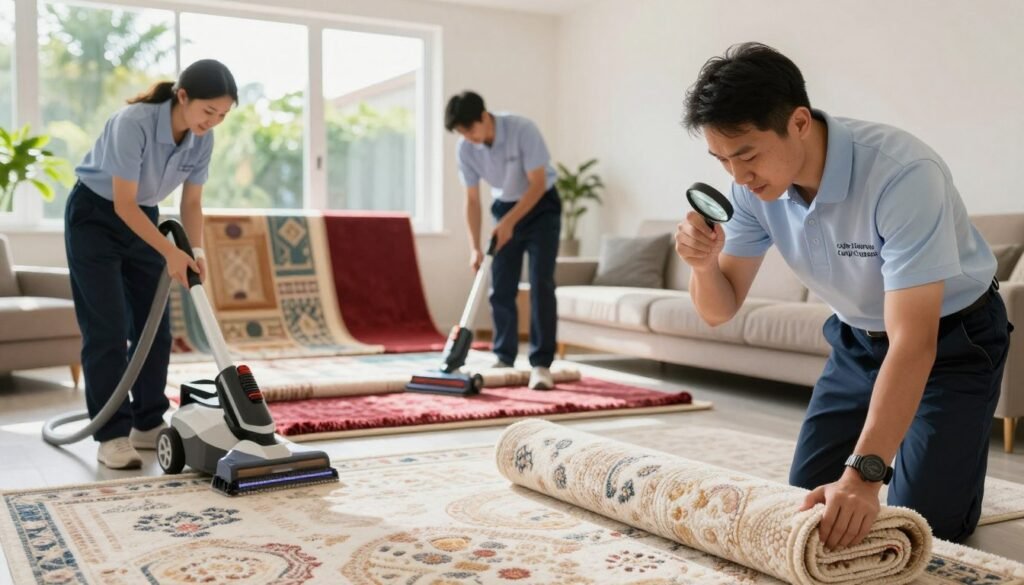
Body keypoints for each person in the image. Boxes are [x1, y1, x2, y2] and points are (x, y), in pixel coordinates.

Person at [676, 42, 1011, 545]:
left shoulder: (902, 174)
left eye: (746, 154)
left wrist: (864, 474)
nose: (737, 176)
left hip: (953, 339)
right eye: (720, 159)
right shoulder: (751, 190)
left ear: (800, 123)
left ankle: (937, 455)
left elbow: (914, 342)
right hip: (857, 341)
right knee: (806, 503)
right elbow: (719, 311)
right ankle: (913, 444)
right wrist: (702, 265)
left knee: (925, 527)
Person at [66, 59, 237, 469]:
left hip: (143, 217)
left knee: (154, 330)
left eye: (223, 116)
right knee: (107, 328)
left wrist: (194, 252)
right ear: (182, 96)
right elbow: (123, 203)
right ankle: (110, 435)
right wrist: (168, 251)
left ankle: (146, 423)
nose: (212, 122)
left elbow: (191, 203)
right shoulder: (134, 122)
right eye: (208, 111)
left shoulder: (201, 139)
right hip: (96, 217)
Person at [445, 91, 561, 390]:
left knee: (540, 282)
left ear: (484, 116)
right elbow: (472, 200)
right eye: (461, 133)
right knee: (501, 285)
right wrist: (474, 247)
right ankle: (504, 358)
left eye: (470, 130)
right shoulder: (466, 149)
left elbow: (537, 185)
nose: (468, 138)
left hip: (541, 207)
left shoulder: (522, 129)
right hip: (505, 207)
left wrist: (509, 223)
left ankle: (541, 364)